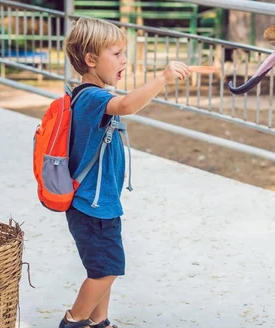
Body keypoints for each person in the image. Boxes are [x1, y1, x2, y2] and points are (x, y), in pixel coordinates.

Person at [59, 17, 190, 328]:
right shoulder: (93, 97)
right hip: (91, 205)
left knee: (101, 267)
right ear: (91, 60)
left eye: (124, 53)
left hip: (98, 203)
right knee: (108, 269)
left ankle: (98, 322)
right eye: (116, 54)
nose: (124, 60)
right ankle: (74, 321)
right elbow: (128, 105)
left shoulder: (90, 95)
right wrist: (163, 78)